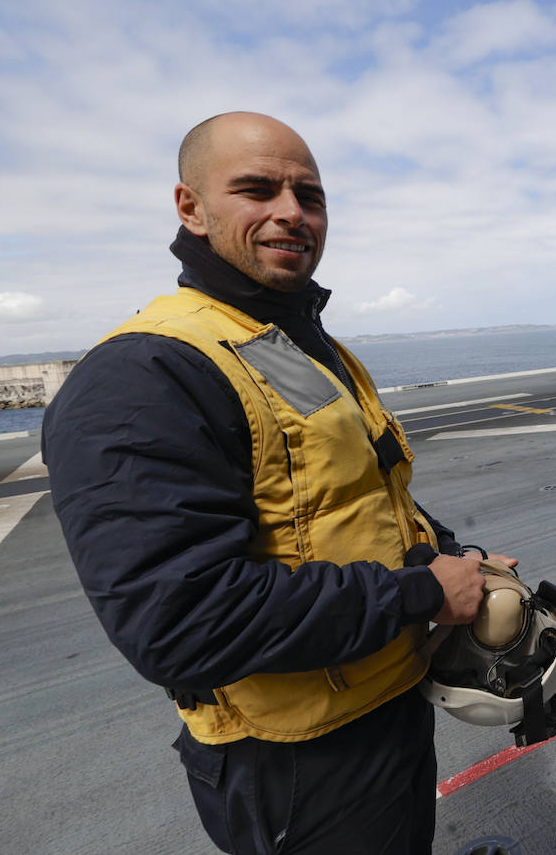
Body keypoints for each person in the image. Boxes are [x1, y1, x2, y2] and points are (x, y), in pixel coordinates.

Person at [42, 112, 501, 854]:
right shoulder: (144, 373)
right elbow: (180, 622)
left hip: (383, 701)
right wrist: (421, 594)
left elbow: (353, 499)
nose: (291, 212)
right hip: (295, 759)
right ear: (190, 207)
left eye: (309, 196)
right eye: (256, 189)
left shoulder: (288, 346)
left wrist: (454, 558)